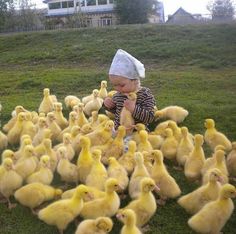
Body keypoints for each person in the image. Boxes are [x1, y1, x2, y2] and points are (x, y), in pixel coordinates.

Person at [103, 49, 156, 135]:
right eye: (114, 85)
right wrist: (108, 105)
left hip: (137, 133)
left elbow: (150, 117)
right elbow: (117, 112)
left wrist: (133, 109)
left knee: (128, 147)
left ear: (135, 80)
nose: (118, 89)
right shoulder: (118, 95)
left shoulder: (145, 94)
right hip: (118, 132)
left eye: (122, 85)